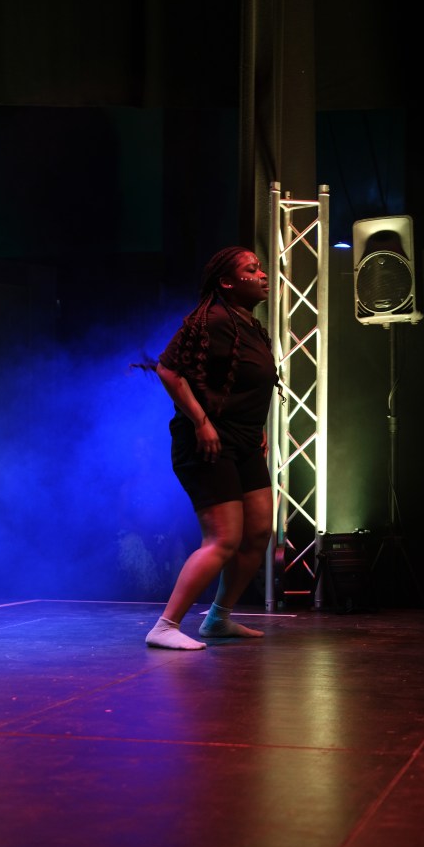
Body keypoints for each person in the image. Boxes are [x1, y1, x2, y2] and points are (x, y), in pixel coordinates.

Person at [144, 246, 279, 650]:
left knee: (258, 531)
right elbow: (168, 369)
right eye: (252, 269)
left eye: (261, 268)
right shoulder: (214, 319)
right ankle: (165, 626)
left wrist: (257, 428)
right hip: (207, 443)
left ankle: (218, 619)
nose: (262, 275)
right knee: (224, 538)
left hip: (243, 441)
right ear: (227, 282)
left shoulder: (247, 324)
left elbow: (243, 386)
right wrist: (201, 422)